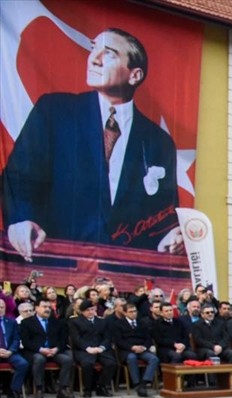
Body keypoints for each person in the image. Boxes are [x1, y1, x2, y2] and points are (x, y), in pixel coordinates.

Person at [3, 29, 183, 258]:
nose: (94, 59)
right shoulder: (54, 112)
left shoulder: (160, 141)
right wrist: (21, 219)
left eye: (108, 53)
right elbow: (19, 177)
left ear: (134, 75)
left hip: (128, 276)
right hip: (54, 262)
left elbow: (164, 214)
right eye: (93, 49)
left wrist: (168, 237)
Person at [19, 298, 75, 398]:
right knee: (39, 359)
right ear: (36, 308)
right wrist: (40, 349)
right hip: (36, 351)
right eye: (44, 307)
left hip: (54, 351)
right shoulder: (26, 322)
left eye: (49, 307)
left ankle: (62, 389)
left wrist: (56, 349)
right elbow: (26, 341)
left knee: (67, 360)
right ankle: (39, 389)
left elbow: (63, 340)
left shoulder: (57, 322)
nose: (47, 309)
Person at [69, 299, 118, 397]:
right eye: (88, 310)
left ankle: (101, 386)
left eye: (92, 309)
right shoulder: (75, 321)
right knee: (87, 364)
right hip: (84, 350)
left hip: (100, 349)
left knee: (111, 363)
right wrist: (88, 348)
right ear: (82, 311)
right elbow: (76, 338)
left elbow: (107, 337)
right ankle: (88, 388)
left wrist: (102, 347)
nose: (90, 312)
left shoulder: (102, 321)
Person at [110, 298, 159, 397]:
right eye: (131, 312)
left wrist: (144, 347)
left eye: (135, 311)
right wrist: (132, 347)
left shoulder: (142, 323)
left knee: (154, 359)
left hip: (142, 349)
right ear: (125, 313)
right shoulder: (118, 324)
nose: (134, 314)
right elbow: (119, 341)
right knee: (132, 358)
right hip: (127, 350)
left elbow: (149, 339)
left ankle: (144, 383)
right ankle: (136, 384)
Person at [0, 298, 30, 398]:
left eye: (2, 307)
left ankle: (14, 390)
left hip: (10, 352)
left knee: (23, 364)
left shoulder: (11, 322)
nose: (0, 309)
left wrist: (11, 351)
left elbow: (16, 339)